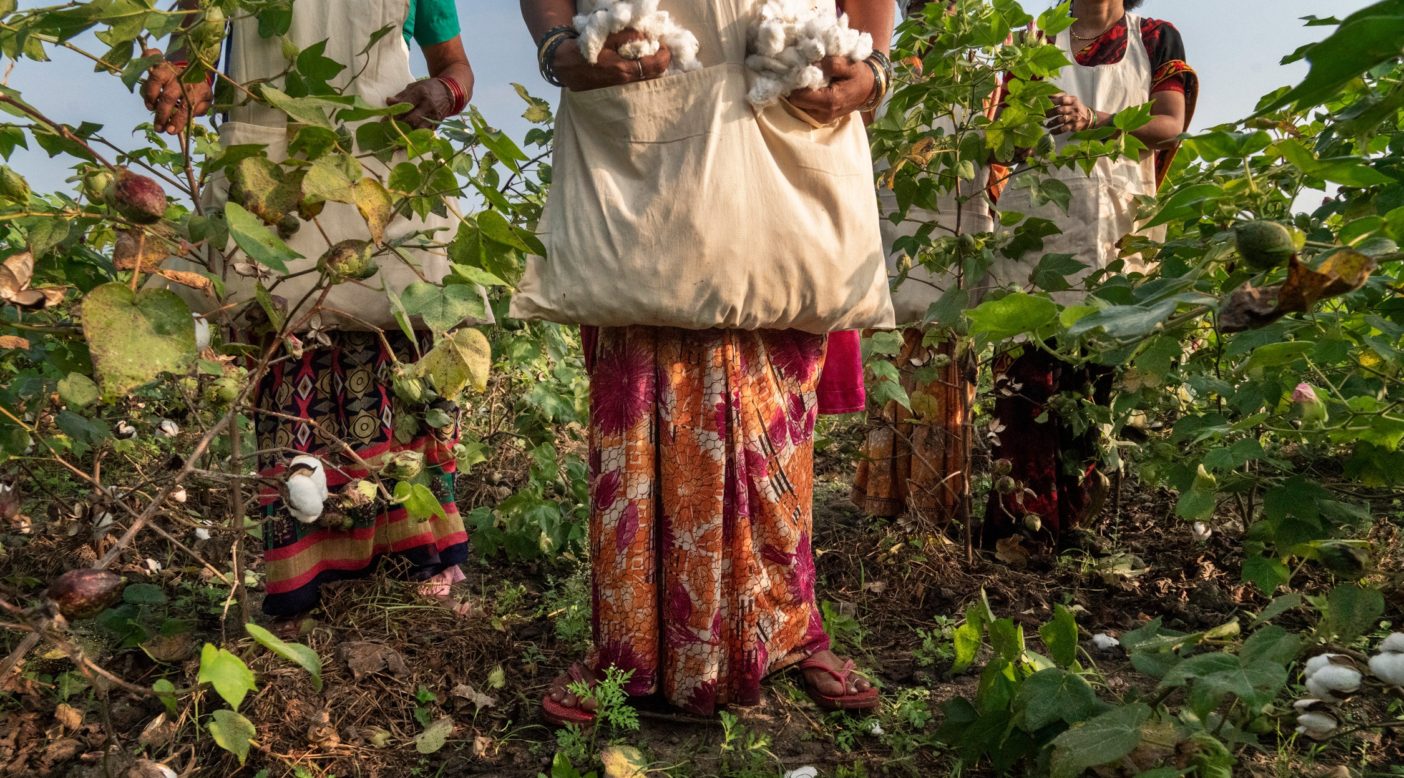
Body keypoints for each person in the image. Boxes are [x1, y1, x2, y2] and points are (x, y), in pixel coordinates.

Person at [518, 0, 895, 724]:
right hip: (638, 108)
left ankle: (785, 628)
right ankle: (626, 647)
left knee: (777, 395)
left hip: (785, 100)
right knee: (637, 371)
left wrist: (871, 71)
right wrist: (560, 45)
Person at [140, 0, 480, 631]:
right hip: (272, 178)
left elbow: (455, 66)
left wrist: (443, 92)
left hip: (382, 167)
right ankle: (305, 572)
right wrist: (179, 78)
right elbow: (192, 58)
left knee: (400, 354)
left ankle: (422, 554)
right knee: (288, 359)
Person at [982, 0, 1197, 547]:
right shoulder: (1034, 36)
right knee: (1025, 373)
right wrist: (1020, 132)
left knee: (1095, 376)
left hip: (1115, 222)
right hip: (1037, 219)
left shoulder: (1154, 36)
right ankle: (1020, 528)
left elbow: (1169, 125)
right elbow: (1004, 137)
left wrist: (1097, 122)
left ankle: (1078, 525)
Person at [852, 0, 995, 532]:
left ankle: (932, 505)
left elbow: (1005, 151)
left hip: (955, 237)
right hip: (893, 229)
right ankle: (887, 499)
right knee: (892, 361)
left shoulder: (984, 63)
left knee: (944, 368)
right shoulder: (883, 58)